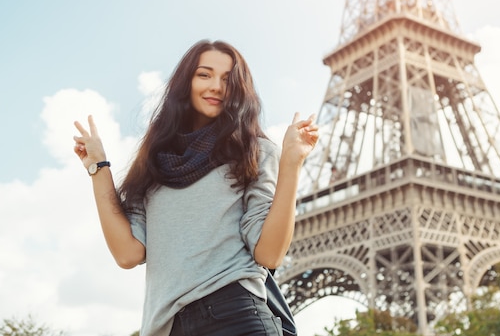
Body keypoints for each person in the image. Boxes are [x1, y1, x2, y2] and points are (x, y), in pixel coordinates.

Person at [72, 39, 319, 336]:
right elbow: (128, 254)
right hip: (169, 326)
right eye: (204, 74)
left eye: (228, 79)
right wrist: (98, 168)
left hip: (236, 315)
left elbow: (269, 255)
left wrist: (291, 164)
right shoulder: (152, 161)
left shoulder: (254, 150)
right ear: (185, 82)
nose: (216, 86)